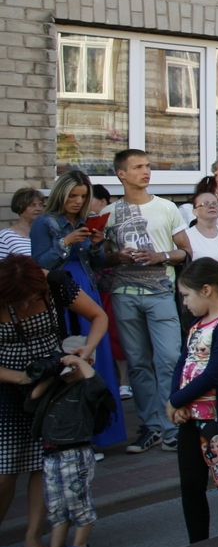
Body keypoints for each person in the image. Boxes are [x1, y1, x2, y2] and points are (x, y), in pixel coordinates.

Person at [0, 259, 108, 547]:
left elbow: (98, 316)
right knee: (5, 470)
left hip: (52, 381)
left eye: (32, 298)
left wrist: (86, 350)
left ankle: (34, 535)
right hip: (7, 381)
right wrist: (20, 377)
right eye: (17, 301)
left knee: (42, 462)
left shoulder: (56, 283)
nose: (25, 305)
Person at [103, 149, 190, 454]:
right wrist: (117, 256)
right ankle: (150, 426)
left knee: (168, 357)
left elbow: (185, 251)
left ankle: (171, 425)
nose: (146, 171)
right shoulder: (111, 214)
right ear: (121, 174)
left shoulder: (167, 207)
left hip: (161, 292)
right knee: (138, 362)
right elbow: (101, 256)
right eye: (138, 167)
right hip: (124, 293)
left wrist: (160, 256)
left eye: (148, 166)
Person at [30, 170, 124, 450]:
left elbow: (95, 263)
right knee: (73, 353)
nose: (77, 200)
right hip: (61, 289)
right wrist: (65, 243)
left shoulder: (83, 220)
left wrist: (95, 246)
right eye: (73, 195)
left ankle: (104, 433)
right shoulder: (44, 222)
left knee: (98, 355)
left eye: (82, 196)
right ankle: (75, 432)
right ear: (61, 193)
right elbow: (38, 264)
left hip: (88, 287)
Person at [169, 258, 218, 543]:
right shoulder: (196, 323)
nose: (185, 303)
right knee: (190, 484)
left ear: (206, 290)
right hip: (191, 417)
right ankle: (197, 545)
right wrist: (176, 401)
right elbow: (183, 362)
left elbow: (214, 374)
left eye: (186, 296)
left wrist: (176, 399)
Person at [22, 334, 112, 547]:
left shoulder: (86, 386)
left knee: (77, 500)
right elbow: (30, 404)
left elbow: (98, 386)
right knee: (56, 504)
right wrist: (46, 377)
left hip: (76, 454)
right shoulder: (55, 387)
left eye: (71, 361)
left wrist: (80, 362)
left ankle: (80, 545)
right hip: (51, 454)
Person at [183, 190, 218, 269]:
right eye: (206, 204)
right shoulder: (186, 236)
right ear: (195, 212)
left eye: (215, 203)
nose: (212, 206)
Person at [2, 188, 44, 259]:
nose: (38, 209)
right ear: (20, 207)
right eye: (32, 205)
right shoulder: (6, 236)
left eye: (40, 205)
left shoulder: (47, 232)